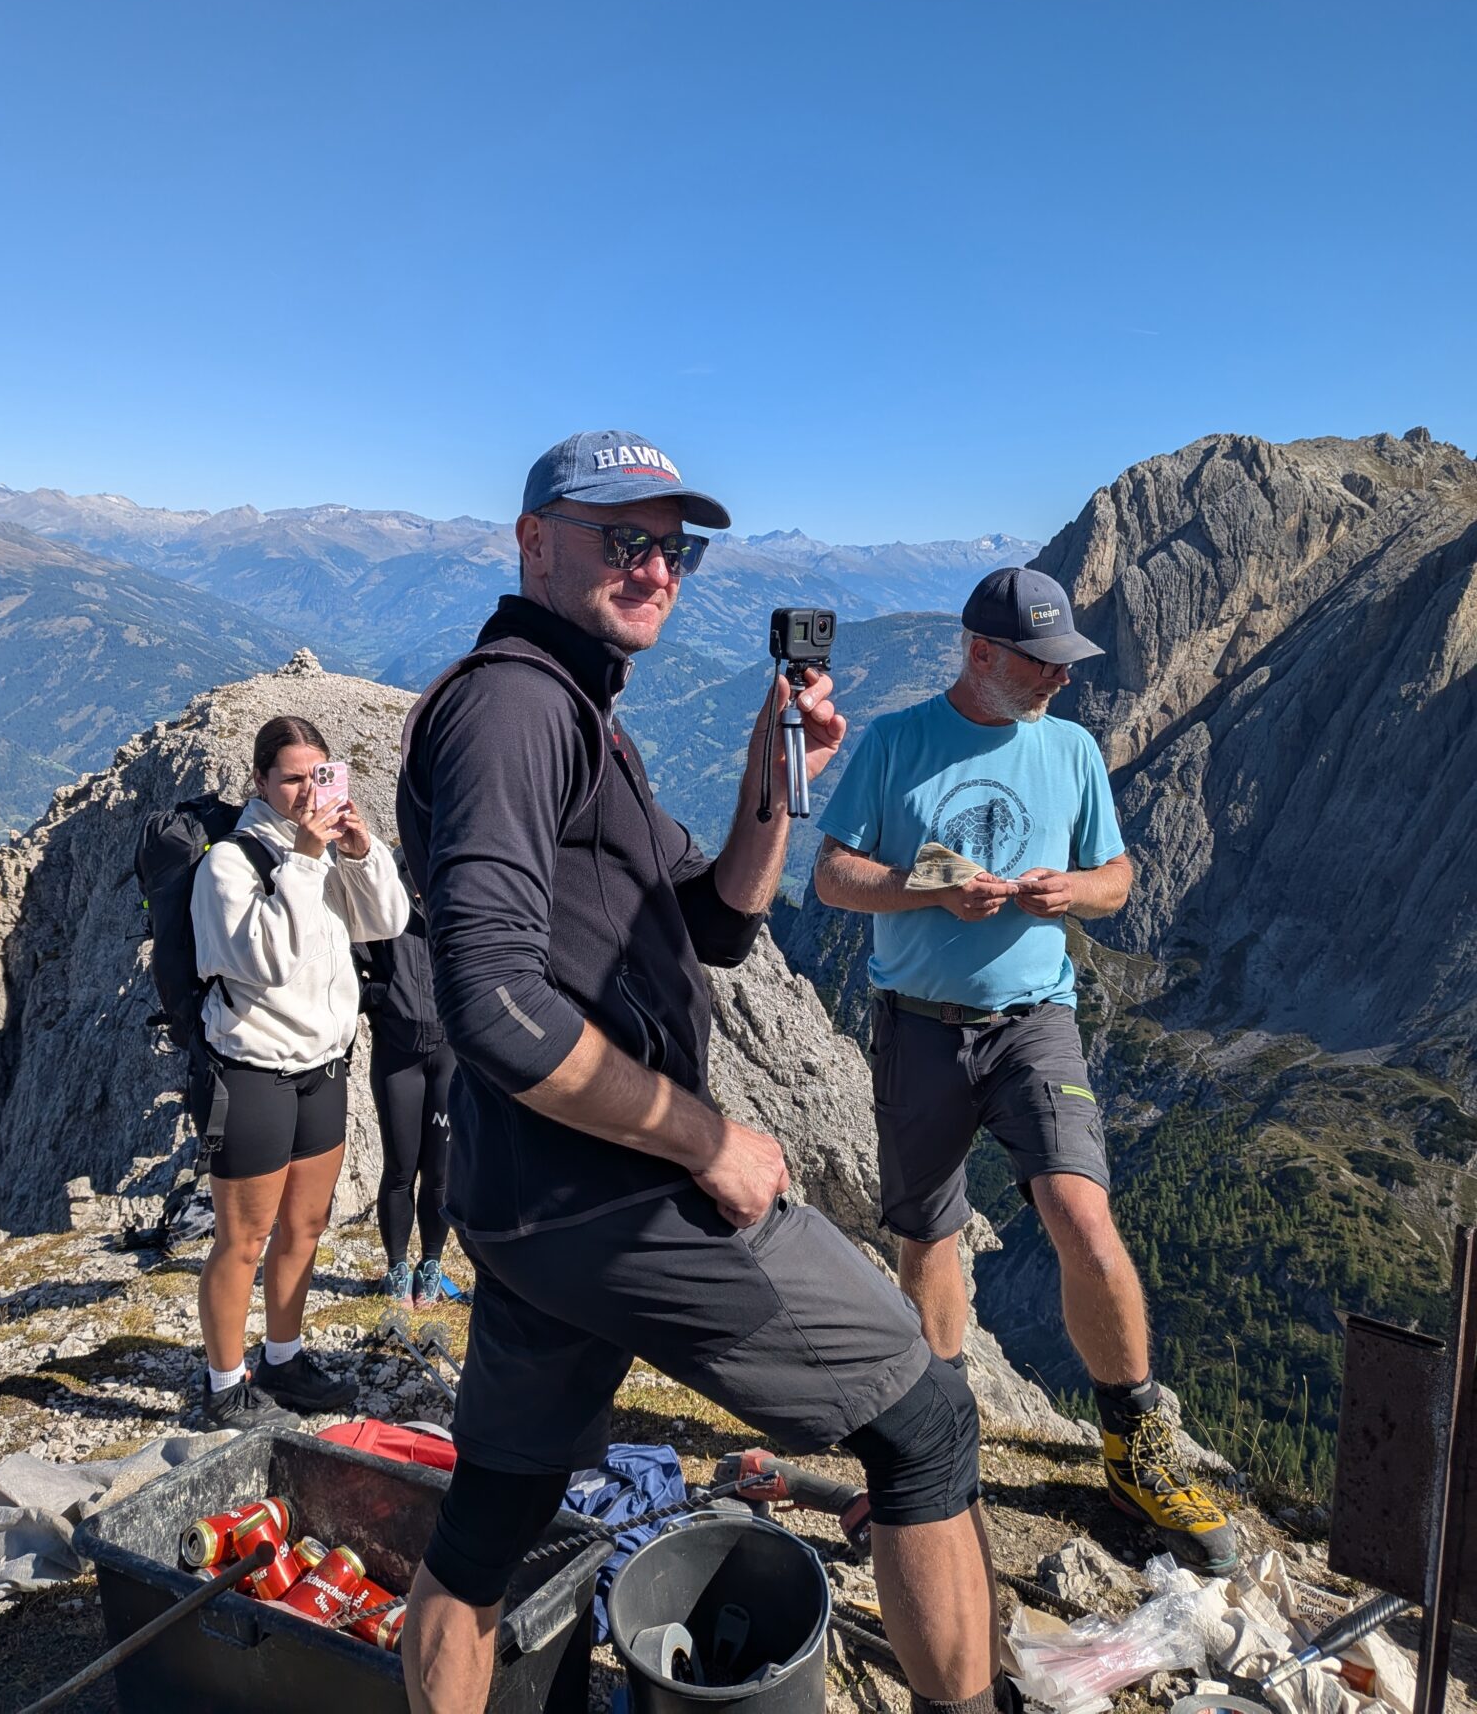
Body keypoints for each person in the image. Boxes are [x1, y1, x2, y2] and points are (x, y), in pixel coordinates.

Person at [396, 431, 1010, 1714]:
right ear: (534, 541)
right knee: (928, 1422)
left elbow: (717, 918)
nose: (657, 568)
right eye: (624, 537)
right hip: (618, 1196)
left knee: (491, 1517)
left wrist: (772, 774)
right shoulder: (516, 707)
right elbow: (497, 1004)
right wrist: (705, 1138)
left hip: (529, 1202)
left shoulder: (581, 712)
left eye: (677, 548)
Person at [812, 566, 1237, 1571]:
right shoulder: (897, 740)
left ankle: (1135, 1444)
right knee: (928, 1234)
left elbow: (1118, 876)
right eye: (1042, 662)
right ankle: (936, 1442)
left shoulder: (1072, 748)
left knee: (1082, 1214)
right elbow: (832, 874)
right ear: (980, 653)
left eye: (1063, 662)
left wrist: (1071, 893)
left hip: (1036, 1020)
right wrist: (931, 889)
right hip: (918, 1025)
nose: (1060, 678)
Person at [190, 714, 410, 1426]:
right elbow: (269, 962)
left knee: (305, 1227)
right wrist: (309, 860)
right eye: (290, 779)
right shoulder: (230, 864)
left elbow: (387, 921)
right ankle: (225, 1385)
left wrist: (361, 852)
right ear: (259, 780)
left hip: (323, 1066)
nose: (306, 792)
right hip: (253, 1072)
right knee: (243, 1239)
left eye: (318, 776)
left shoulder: (316, 852)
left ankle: (283, 1360)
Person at [354, 849, 457, 1306]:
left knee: (440, 1171)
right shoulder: (381, 887)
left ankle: (431, 1263)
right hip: (397, 1053)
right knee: (399, 1168)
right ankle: (397, 1267)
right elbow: (350, 962)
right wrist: (384, 996)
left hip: (449, 1053)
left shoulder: (453, 885)